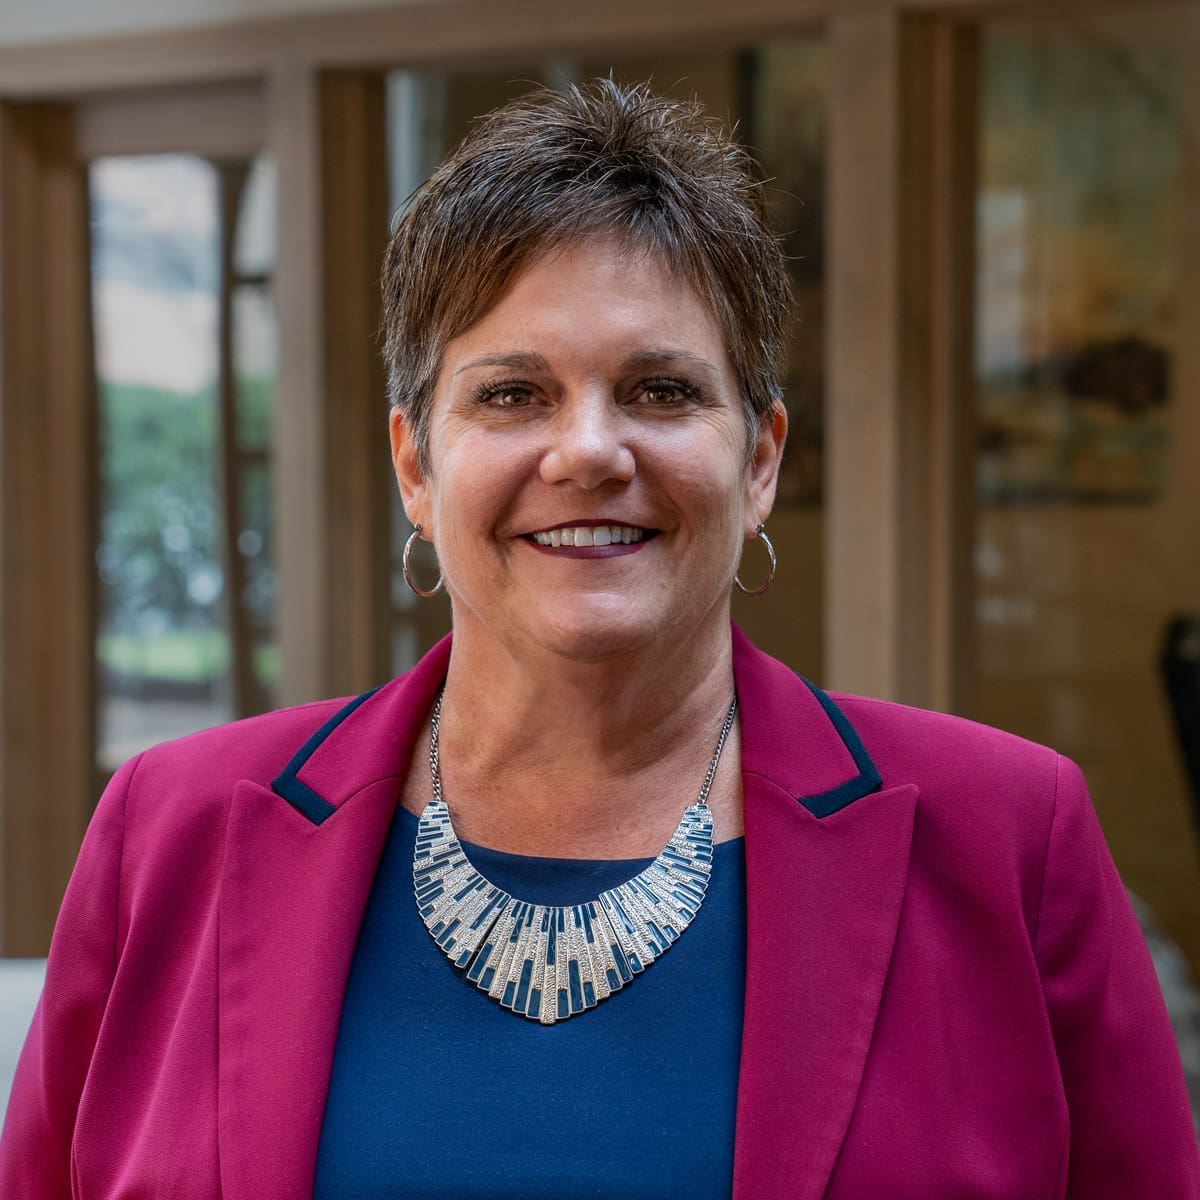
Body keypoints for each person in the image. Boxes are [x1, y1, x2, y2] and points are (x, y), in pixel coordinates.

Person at [1, 79, 1197, 1200]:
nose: (587, 452)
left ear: (760, 460)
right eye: (511, 393)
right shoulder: (170, 835)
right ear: (416, 466)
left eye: (662, 390)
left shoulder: (1011, 841)